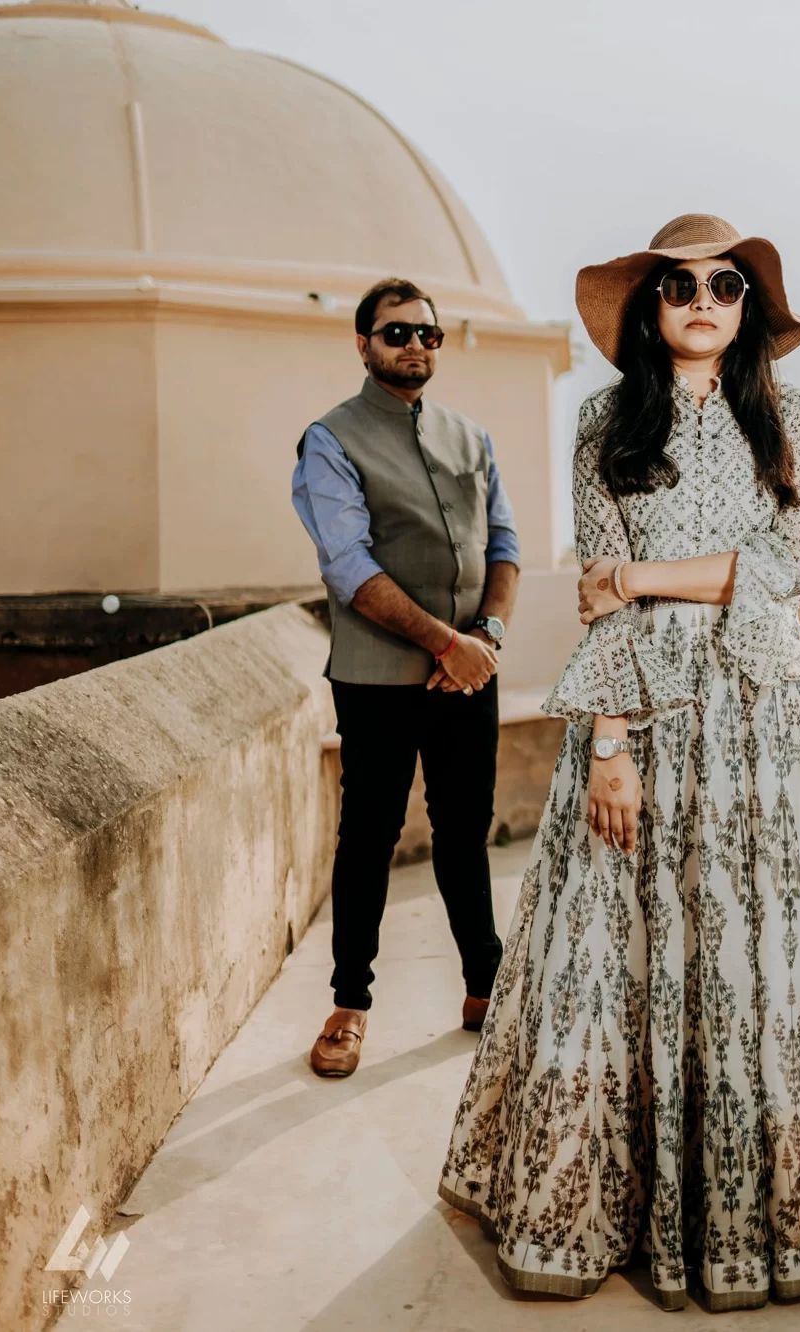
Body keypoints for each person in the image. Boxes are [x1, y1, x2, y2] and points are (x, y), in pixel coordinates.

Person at [437, 214, 800, 1311]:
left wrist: (638, 581)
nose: (701, 300)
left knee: (771, 948)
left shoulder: (787, 418)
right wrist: (613, 743)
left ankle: (762, 1207)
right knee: (625, 947)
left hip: (768, 718)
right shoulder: (603, 422)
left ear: (747, 311)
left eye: (725, 284)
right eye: (678, 284)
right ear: (648, 307)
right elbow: (595, 577)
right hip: (644, 710)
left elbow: (780, 569)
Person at [292, 276, 521, 1078]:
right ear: (363, 344)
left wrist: (485, 635)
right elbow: (349, 566)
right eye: (397, 334)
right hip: (379, 679)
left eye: (428, 334)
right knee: (370, 839)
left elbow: (503, 544)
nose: (415, 346)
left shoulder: (470, 437)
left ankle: (485, 988)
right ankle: (348, 1006)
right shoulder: (331, 439)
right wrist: (444, 643)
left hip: (470, 673)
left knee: (466, 832)